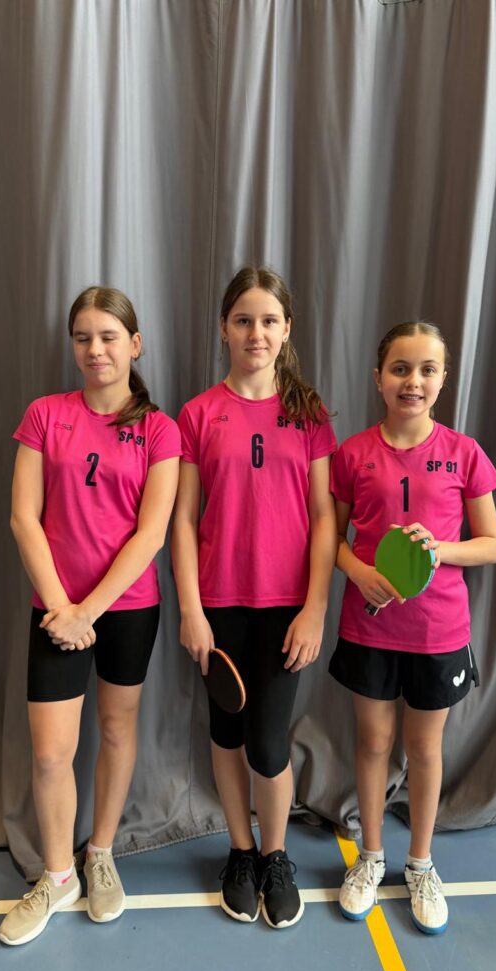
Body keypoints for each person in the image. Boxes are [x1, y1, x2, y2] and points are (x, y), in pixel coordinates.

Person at [0, 287, 180, 945]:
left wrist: (89, 612)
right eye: (83, 337)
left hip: (127, 609)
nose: (95, 349)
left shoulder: (161, 430)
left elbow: (152, 533)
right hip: (55, 611)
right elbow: (24, 518)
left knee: (116, 728)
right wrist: (62, 609)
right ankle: (57, 876)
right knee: (51, 753)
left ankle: (100, 852)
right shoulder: (46, 415)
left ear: (135, 345)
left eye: (108, 336)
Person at [172, 266, 337, 929]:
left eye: (269, 321)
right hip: (218, 606)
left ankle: (276, 856)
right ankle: (240, 852)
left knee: (269, 745)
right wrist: (191, 609)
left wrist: (315, 608)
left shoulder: (309, 414)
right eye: (243, 320)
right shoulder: (197, 415)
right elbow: (183, 520)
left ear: (287, 329)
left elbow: (325, 518)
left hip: (287, 608)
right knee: (226, 731)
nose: (256, 333)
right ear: (224, 328)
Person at [329, 321, 496, 935]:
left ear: (443, 380)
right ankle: (371, 857)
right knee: (373, 742)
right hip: (369, 627)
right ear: (378, 378)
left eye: (427, 369)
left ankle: (421, 864)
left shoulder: (464, 452)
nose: (413, 381)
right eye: (400, 368)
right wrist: (357, 571)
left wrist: (440, 549)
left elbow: (492, 545)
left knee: (424, 748)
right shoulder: (352, 454)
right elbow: (332, 539)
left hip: (438, 632)